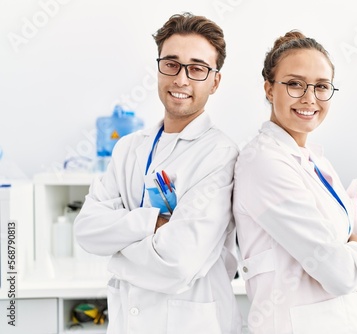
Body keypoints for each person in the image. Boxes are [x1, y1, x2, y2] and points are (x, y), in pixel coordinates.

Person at [74, 12, 241, 334]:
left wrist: (116, 246)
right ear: (159, 68)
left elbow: (178, 263)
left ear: (215, 81)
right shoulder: (128, 148)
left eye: (197, 68)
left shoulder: (220, 154)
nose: (181, 79)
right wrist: (153, 222)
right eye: (171, 64)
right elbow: (87, 230)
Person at [232, 31, 357, 334]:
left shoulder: (316, 161)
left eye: (321, 86)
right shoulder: (263, 163)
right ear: (269, 89)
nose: (310, 98)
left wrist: (356, 251)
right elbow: (340, 273)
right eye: (295, 84)